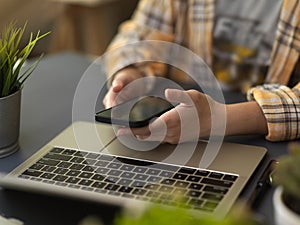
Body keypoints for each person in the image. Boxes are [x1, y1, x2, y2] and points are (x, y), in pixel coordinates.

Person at [102, 0, 300, 144]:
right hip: (180, 124)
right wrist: (132, 71)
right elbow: (140, 33)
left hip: (271, 141)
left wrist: (219, 119)